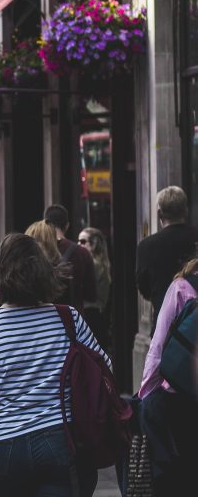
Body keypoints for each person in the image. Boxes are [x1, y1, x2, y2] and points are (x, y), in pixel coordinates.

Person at [0, 233, 109, 497]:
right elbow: (104, 369)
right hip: (61, 441)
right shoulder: (68, 319)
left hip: (4, 450)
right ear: (43, 271)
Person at [138, 258, 198, 495]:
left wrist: (146, 393)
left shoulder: (183, 287)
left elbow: (159, 345)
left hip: (179, 393)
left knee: (179, 468)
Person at [136, 186, 198, 327]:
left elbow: (143, 287)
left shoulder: (146, 246)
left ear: (159, 214)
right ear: (186, 211)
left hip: (164, 325)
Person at [44, 204, 96, 312]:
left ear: (45, 224)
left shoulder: (37, 251)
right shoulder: (82, 252)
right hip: (72, 320)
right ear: (67, 225)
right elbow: (91, 295)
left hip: (43, 321)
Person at [79, 227, 112, 349]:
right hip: (95, 315)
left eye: (83, 242)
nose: (79, 244)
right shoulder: (100, 264)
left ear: (93, 245)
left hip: (90, 315)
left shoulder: (94, 265)